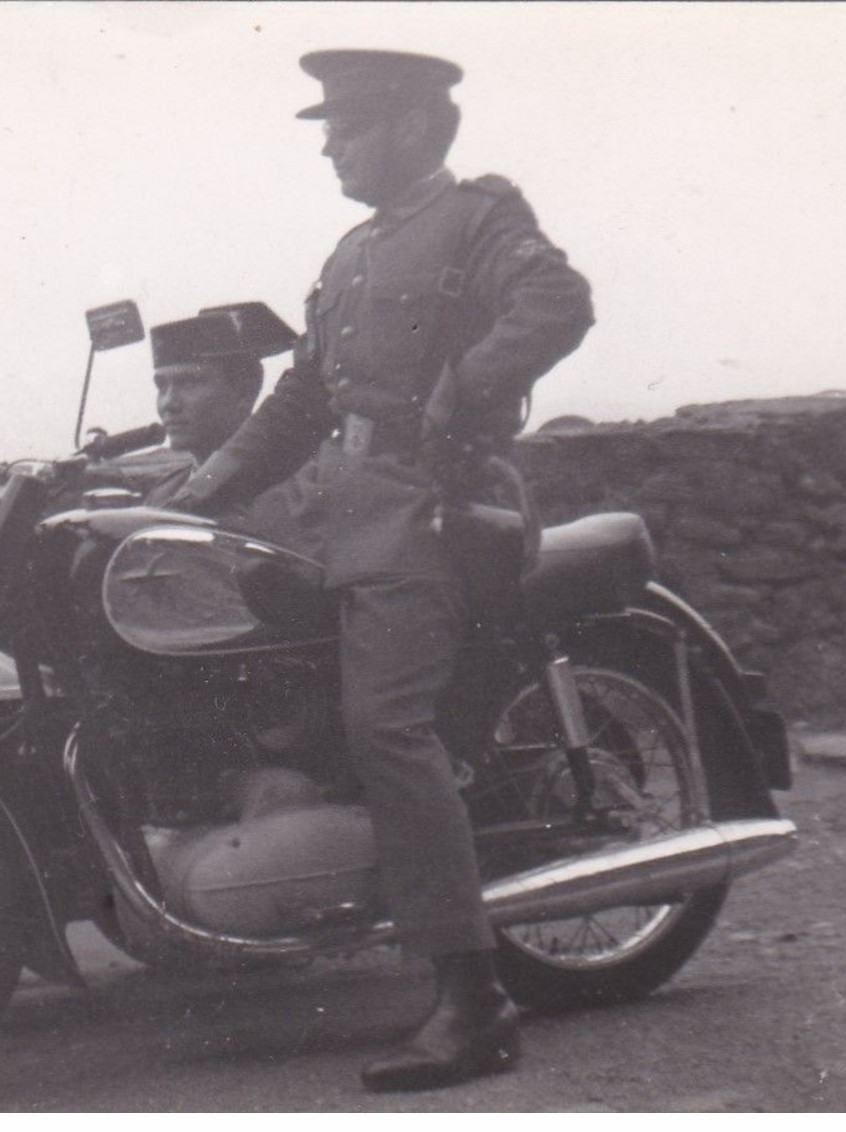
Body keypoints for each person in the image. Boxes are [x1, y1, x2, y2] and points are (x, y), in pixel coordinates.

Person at [169, 49, 595, 1092]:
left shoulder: (479, 218)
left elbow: (559, 303)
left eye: (349, 126)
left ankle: (474, 998)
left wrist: (462, 388)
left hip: (440, 511)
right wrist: (201, 488)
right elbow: (301, 402)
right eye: (329, 126)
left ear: (412, 126)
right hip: (343, 513)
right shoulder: (353, 253)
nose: (329, 144)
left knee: (388, 730)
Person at [138, 303, 296, 509]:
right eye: (161, 386)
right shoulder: (163, 494)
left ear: (245, 392)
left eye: (189, 383)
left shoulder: (290, 489)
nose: (169, 403)